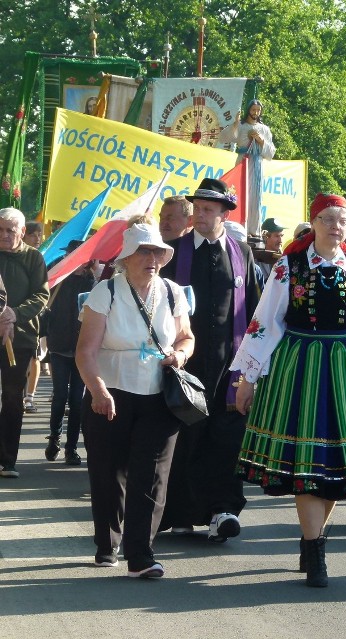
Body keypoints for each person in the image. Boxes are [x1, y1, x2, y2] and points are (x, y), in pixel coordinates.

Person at [232, 192, 346, 588]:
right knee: (306, 462)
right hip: (299, 366)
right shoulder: (288, 267)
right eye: (327, 219)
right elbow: (265, 323)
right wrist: (248, 377)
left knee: (335, 468)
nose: (335, 226)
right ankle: (315, 547)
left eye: (341, 220)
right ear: (314, 223)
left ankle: (312, 542)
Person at [76, 220, 194, 577]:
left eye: (158, 251)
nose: (153, 258)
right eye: (144, 251)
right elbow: (85, 351)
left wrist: (181, 355)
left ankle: (141, 554)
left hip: (160, 395)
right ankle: (107, 542)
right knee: (109, 473)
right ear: (125, 258)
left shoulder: (173, 292)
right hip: (110, 394)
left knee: (152, 475)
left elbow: (186, 337)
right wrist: (98, 390)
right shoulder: (105, 292)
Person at [158, 178, 260, 542]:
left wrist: (254, 365)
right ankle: (182, 512)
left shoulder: (241, 253)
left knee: (227, 438)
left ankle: (223, 509)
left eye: (207, 209)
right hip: (187, 364)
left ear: (223, 214)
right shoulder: (173, 252)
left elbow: (255, 312)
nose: (199, 215)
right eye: (197, 208)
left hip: (229, 366)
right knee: (188, 435)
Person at [0, 208, 49, 479]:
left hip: (20, 338)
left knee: (11, 397)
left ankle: (7, 460)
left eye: (10, 230)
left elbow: (41, 294)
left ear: (21, 232)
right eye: (0, 229)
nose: (4, 235)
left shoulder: (33, 257)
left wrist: (13, 314)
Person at [44, 240, 96, 465]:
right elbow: (45, 286)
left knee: (77, 401)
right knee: (60, 397)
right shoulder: (59, 277)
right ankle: (54, 437)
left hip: (81, 349)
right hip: (58, 345)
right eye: (70, 254)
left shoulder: (92, 281)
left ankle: (71, 448)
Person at [219, 99, 276, 236]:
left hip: (257, 163)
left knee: (255, 196)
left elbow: (271, 152)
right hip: (243, 162)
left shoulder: (264, 129)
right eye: (253, 110)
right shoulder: (241, 126)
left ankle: (253, 229)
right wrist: (234, 124)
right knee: (240, 192)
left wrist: (260, 140)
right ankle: (239, 226)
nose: (255, 113)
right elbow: (224, 137)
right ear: (248, 110)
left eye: (258, 110)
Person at [22, 220, 47, 412]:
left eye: (40, 234)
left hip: (36, 315)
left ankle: (29, 396)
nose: (38, 238)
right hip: (13, 314)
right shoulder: (18, 256)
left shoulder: (46, 255)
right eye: (34, 234)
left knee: (35, 356)